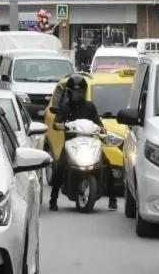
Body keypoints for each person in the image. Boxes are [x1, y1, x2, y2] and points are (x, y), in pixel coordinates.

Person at [49, 74, 116, 212]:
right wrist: (59, 125)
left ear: (84, 92)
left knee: (107, 164)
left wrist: (102, 129)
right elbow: (56, 122)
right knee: (59, 166)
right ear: (69, 93)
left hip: (90, 142)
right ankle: (53, 199)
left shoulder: (90, 107)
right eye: (74, 92)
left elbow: (98, 122)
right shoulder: (65, 107)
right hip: (71, 143)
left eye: (79, 92)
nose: (77, 95)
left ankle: (113, 198)